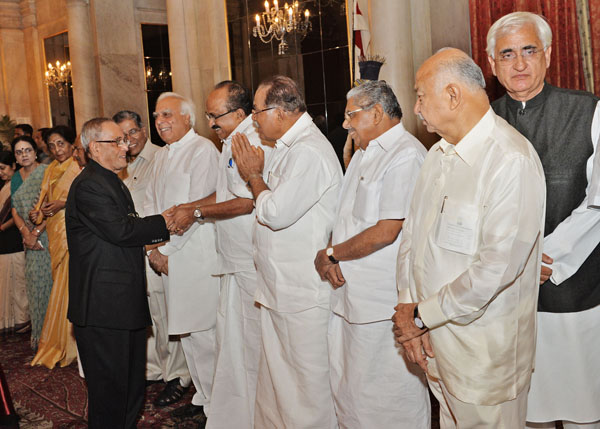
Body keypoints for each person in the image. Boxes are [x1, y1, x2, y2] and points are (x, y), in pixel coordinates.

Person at [392, 48, 545, 428]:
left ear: (453, 95)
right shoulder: (437, 155)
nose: (416, 108)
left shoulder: (510, 161)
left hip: (484, 359)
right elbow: (412, 239)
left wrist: (421, 316)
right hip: (435, 345)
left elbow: (494, 271)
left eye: (421, 95)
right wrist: (409, 309)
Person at [486, 12, 600, 429]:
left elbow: (597, 203)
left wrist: (541, 257)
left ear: (548, 55)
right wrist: (512, 263)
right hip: (501, 297)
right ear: (492, 63)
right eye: (508, 54)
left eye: (529, 50)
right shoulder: (482, 122)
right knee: (521, 415)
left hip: (572, 289)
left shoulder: (588, 111)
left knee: (582, 412)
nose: (519, 64)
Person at [314, 80, 430, 428]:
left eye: (352, 115)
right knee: (354, 392)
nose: (346, 124)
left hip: (383, 302)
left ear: (377, 112)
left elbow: (387, 230)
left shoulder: (405, 155)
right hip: (352, 296)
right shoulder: (364, 152)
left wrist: (332, 254)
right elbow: (346, 216)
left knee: (390, 396)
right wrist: (333, 249)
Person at [232, 75, 342, 428]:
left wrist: (253, 176)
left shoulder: (309, 150)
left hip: (302, 290)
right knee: (278, 384)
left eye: (256, 111)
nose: (253, 119)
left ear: (279, 111)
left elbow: (275, 213)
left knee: (306, 388)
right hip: (280, 287)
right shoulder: (287, 147)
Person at [168, 81, 268, 428]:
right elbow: (223, 192)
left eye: (216, 115)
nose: (210, 122)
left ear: (239, 114)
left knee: (253, 345)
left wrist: (196, 214)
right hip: (232, 259)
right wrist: (190, 204)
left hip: (249, 259)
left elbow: (247, 200)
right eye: (209, 115)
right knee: (234, 345)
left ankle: (259, 415)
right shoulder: (229, 140)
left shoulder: (248, 141)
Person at [66, 117, 172, 428]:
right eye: (118, 141)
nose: (126, 147)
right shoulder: (89, 186)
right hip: (103, 308)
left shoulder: (109, 180)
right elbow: (121, 231)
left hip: (121, 303)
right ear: (95, 148)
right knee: (111, 395)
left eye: (126, 139)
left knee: (130, 389)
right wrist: (166, 221)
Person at [144, 92, 220, 421]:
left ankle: (218, 402)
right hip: (166, 255)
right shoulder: (161, 155)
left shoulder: (202, 150)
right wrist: (152, 248)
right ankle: (203, 396)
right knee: (186, 332)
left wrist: (166, 252)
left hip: (195, 255)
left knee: (204, 332)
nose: (160, 122)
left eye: (167, 115)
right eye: (157, 116)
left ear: (188, 118)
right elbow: (149, 204)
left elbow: (198, 209)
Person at [112, 109, 190, 406]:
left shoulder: (161, 156)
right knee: (149, 313)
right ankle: (156, 368)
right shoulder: (121, 162)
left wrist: (156, 249)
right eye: (121, 136)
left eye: (132, 132)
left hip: (158, 244)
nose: (128, 140)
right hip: (134, 248)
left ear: (144, 130)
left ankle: (178, 375)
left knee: (166, 312)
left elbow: (167, 207)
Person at [30, 125, 80, 368]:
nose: (57, 149)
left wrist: (63, 204)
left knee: (70, 285)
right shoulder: (50, 168)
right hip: (55, 234)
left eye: (61, 143)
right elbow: (42, 202)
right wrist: (36, 213)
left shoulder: (79, 165)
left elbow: (87, 198)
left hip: (74, 232)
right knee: (60, 283)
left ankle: (73, 343)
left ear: (72, 144)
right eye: (52, 146)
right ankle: (59, 341)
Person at [10, 136, 53, 350]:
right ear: (15, 158)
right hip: (28, 240)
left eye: (28, 150)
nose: (24, 154)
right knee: (34, 288)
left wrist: (36, 232)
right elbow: (15, 210)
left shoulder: (47, 172)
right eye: (19, 152)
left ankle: (55, 341)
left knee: (51, 286)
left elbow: (51, 206)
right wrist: (25, 233)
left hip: (48, 237)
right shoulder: (16, 178)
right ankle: (40, 339)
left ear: (36, 152)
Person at [0, 150, 29, 336]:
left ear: (13, 166)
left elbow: (18, 212)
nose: (0, 172)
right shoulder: (4, 186)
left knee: (18, 280)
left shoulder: (18, 184)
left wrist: (2, 227)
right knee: (5, 279)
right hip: (3, 239)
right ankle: (9, 319)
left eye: (3, 168)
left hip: (13, 237)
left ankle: (22, 319)